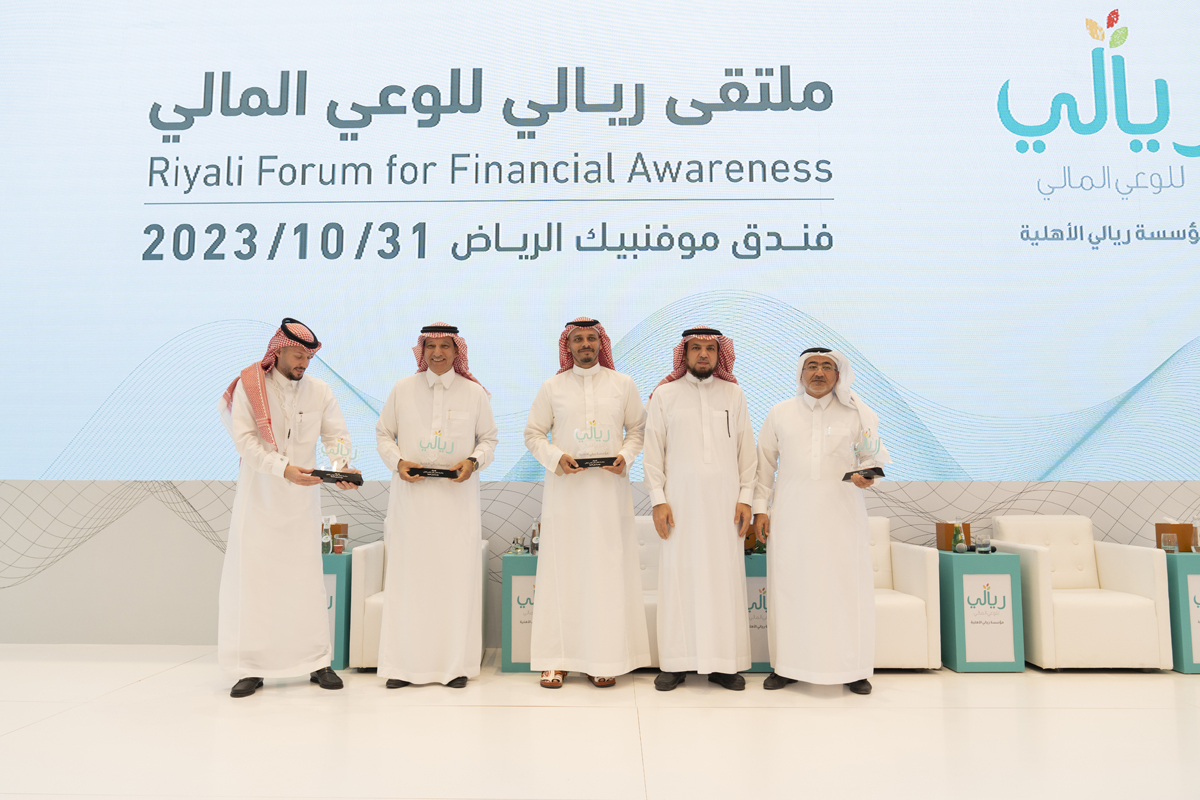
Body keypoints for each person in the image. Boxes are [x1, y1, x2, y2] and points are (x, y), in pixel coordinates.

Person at [217, 318, 361, 698]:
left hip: (301, 504)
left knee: (306, 582)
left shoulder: (319, 391)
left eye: (308, 357)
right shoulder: (251, 387)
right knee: (257, 584)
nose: (303, 363)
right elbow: (245, 441)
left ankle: (317, 661)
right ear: (278, 350)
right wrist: (282, 469)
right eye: (297, 355)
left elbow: (336, 436)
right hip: (260, 500)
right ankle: (251, 668)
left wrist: (342, 467)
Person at [752, 347, 890, 695]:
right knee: (790, 589)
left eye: (827, 367)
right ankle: (787, 667)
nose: (818, 372)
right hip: (791, 518)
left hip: (841, 519)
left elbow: (871, 459)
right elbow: (764, 465)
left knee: (845, 591)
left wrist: (867, 477)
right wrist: (760, 509)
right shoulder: (780, 412)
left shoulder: (856, 413)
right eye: (811, 366)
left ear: (838, 375)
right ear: (801, 374)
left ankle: (853, 668)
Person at [524, 317, 650, 688]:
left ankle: (603, 658)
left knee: (605, 574)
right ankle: (556, 660)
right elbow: (533, 434)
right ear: (568, 346)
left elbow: (638, 429)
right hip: (566, 495)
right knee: (562, 572)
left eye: (591, 339)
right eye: (577, 339)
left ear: (600, 343)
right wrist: (555, 457)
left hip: (609, 496)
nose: (585, 345)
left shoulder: (622, 385)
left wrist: (625, 456)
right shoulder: (552, 387)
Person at [375, 324, 498, 689]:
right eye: (431, 346)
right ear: (422, 350)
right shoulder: (402, 389)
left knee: (454, 582)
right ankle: (402, 667)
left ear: (457, 351)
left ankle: (454, 667)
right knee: (408, 582)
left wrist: (473, 462)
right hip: (411, 503)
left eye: (446, 346)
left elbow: (489, 440)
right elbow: (383, 435)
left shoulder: (474, 393)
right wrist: (398, 462)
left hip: (456, 504)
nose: (438, 353)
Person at [643, 327, 756, 691]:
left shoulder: (734, 394)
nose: (703, 354)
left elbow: (746, 451)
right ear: (685, 353)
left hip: (726, 506)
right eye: (696, 348)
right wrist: (658, 499)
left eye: (710, 348)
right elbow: (653, 453)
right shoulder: (665, 395)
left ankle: (724, 664)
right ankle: (676, 662)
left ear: (719, 354)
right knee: (679, 577)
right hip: (679, 504)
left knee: (724, 579)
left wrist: (746, 497)